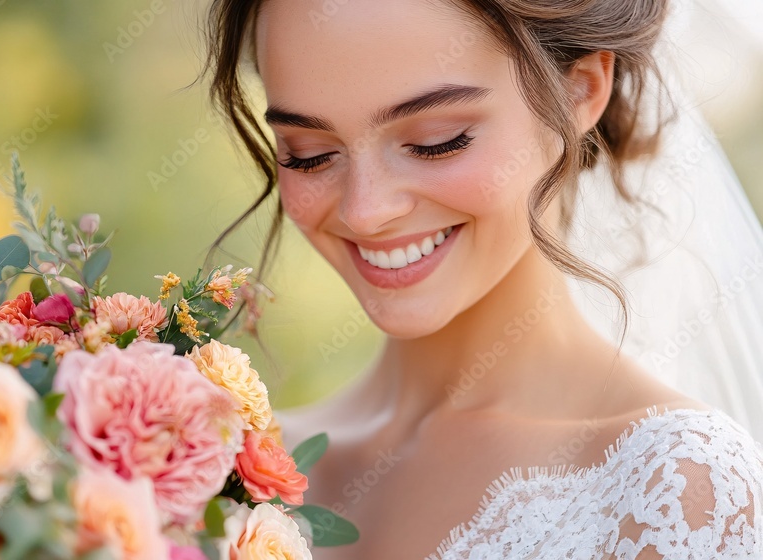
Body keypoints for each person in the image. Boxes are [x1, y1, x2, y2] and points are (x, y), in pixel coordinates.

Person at [200, 0, 763, 558]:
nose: (364, 211)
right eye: (309, 154)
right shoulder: (206, 462)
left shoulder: (673, 492)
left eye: (437, 141)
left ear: (581, 91)